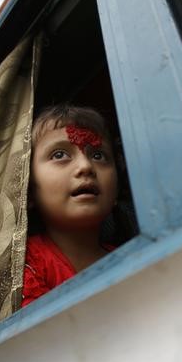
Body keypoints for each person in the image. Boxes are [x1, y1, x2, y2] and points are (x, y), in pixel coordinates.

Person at [22, 104, 118, 307]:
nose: (86, 166)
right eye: (59, 155)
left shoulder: (130, 256)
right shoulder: (25, 265)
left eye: (98, 155)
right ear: (29, 189)